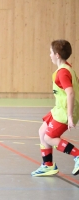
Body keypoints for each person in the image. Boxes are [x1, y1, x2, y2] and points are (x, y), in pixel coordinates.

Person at [31, 40, 79, 176]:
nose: (50, 55)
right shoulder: (66, 68)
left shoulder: (63, 73)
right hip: (59, 109)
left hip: (65, 111)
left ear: (57, 55)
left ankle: (78, 155)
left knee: (49, 138)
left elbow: (70, 92)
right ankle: (48, 165)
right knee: (42, 132)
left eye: (51, 52)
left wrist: (70, 116)